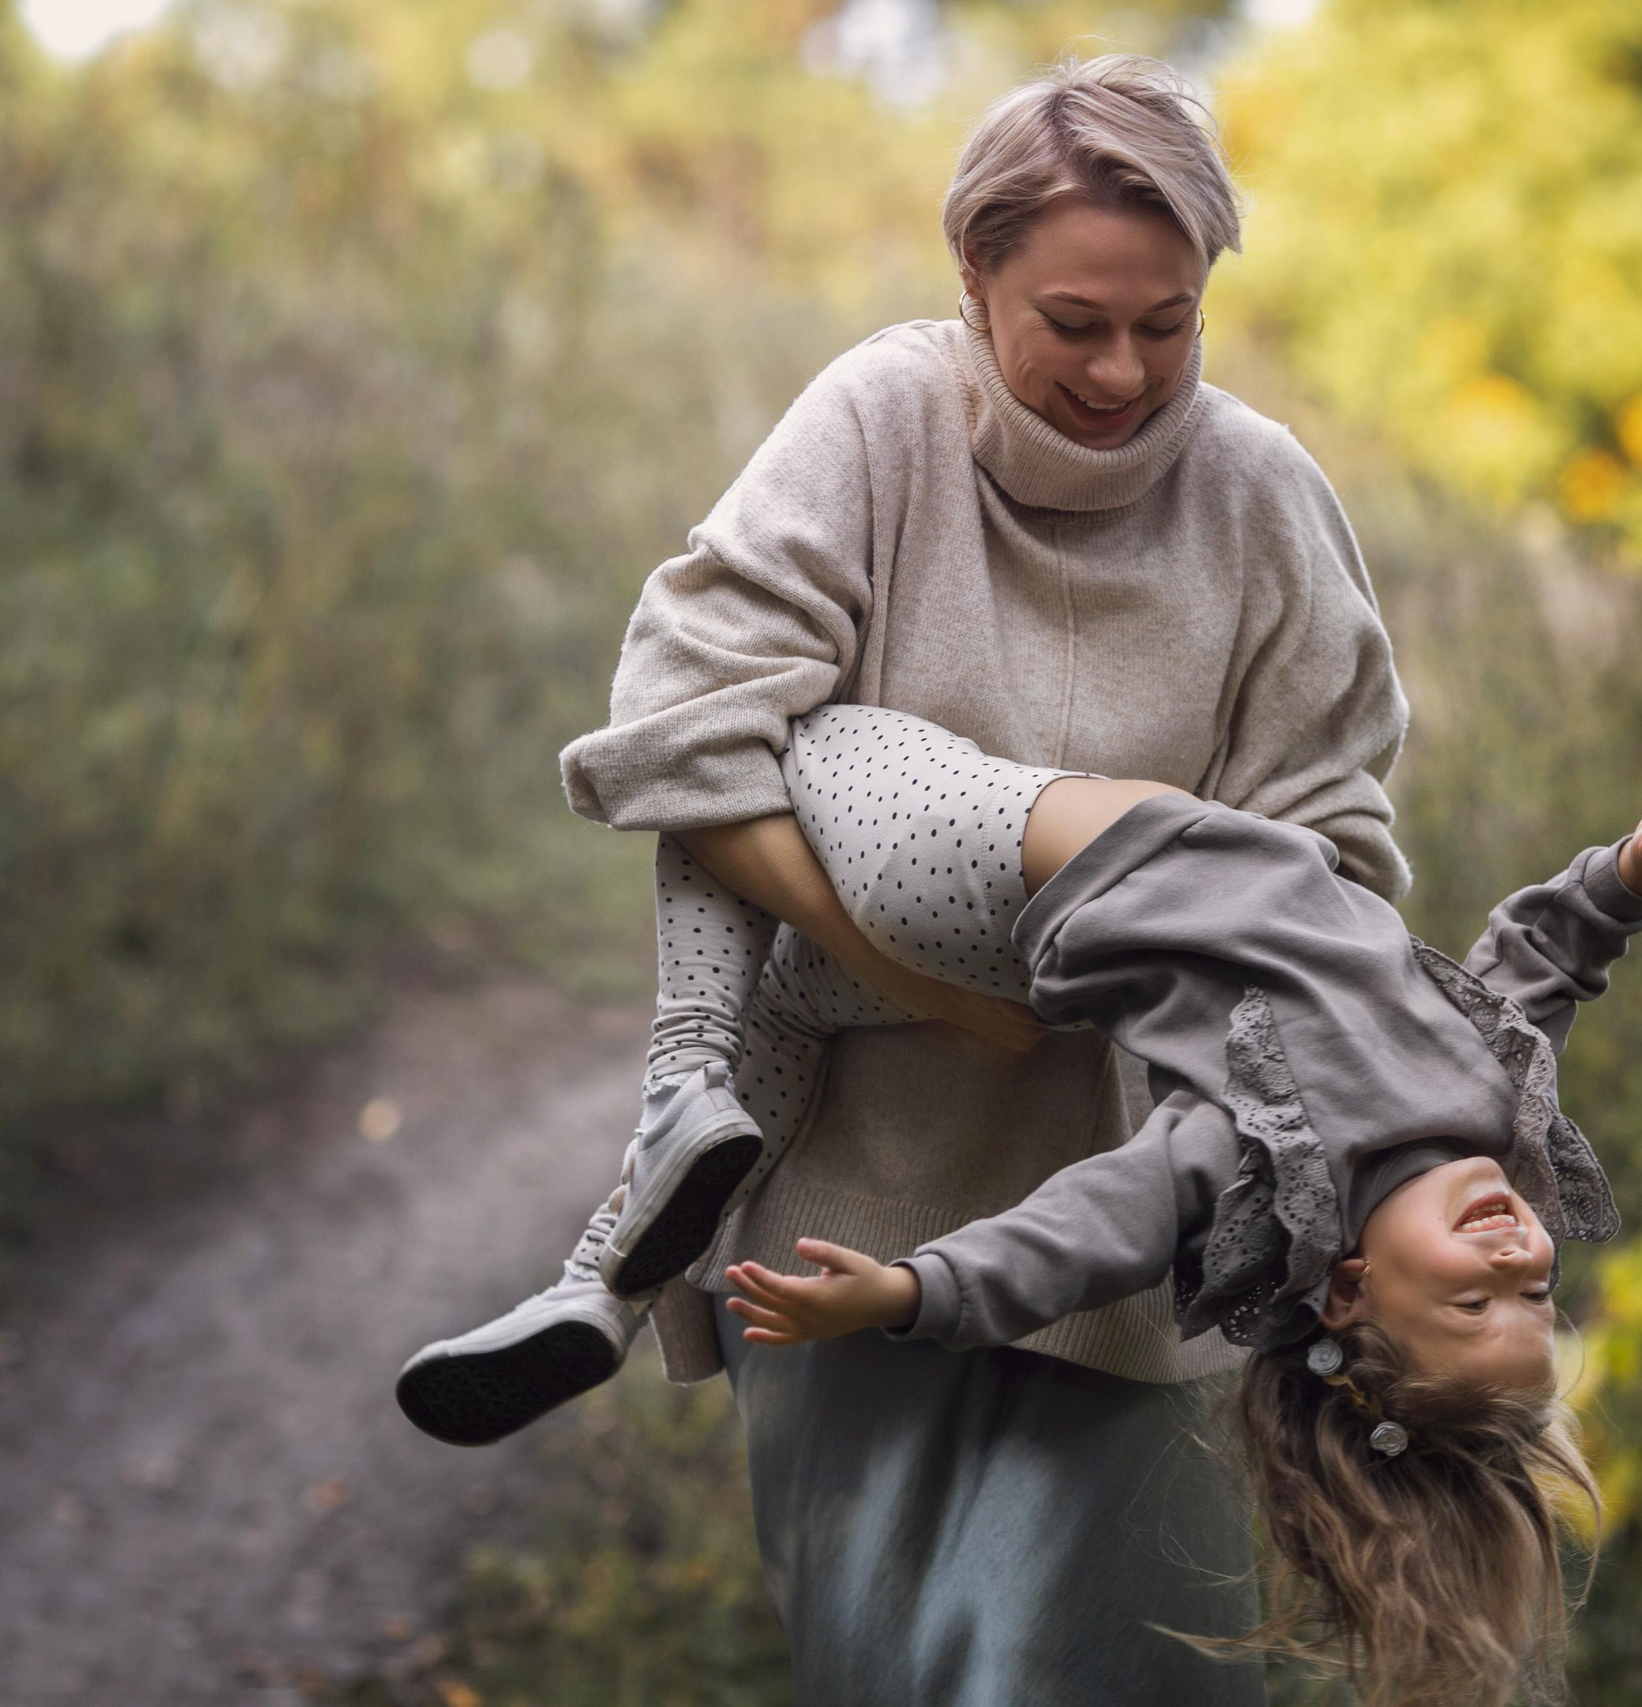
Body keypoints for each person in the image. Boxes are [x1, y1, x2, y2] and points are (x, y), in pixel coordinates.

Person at [405, 54, 1427, 1707]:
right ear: (974, 280)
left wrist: (1089, 972)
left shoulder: (1262, 496)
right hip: (851, 1226)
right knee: (896, 1676)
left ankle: (637, 1202)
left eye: (1166, 322)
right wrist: (931, 984)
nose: (1122, 368)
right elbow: (683, 729)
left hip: (1140, 1238)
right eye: (1073, 320)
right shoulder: (879, 421)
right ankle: (677, 1133)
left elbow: (1338, 872)